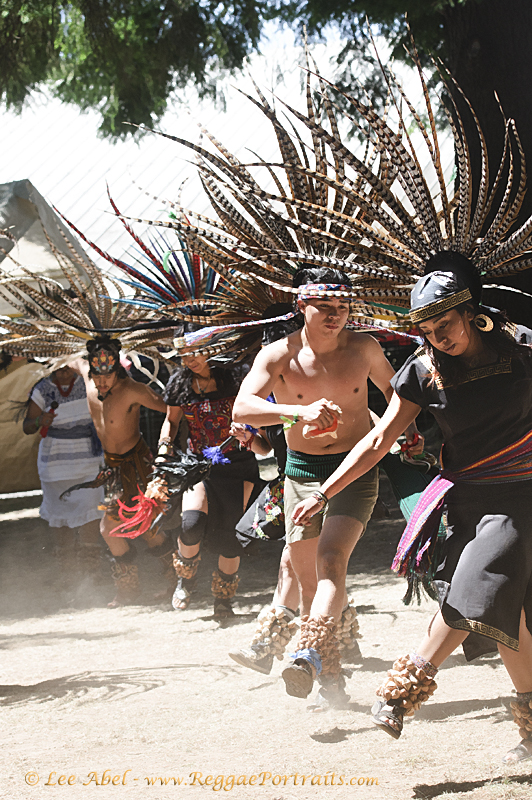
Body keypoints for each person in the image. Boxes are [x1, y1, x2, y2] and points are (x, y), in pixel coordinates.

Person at [292, 266, 532, 762]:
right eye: (424, 329)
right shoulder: (423, 371)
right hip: (468, 499)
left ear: (470, 310)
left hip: (522, 495)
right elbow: (379, 439)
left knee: (477, 586)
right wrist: (326, 491)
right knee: (507, 614)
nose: (436, 337)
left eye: (444, 322)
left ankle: (401, 687)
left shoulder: (522, 348)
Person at [232, 266, 422, 702]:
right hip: (300, 471)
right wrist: (298, 413)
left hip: (354, 470)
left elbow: (399, 396)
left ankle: (306, 655)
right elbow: (243, 408)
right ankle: (331, 679)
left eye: (342, 306)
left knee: (332, 560)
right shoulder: (278, 356)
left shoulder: (365, 348)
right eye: (325, 306)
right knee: (310, 580)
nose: (336, 315)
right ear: (302, 306)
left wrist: (399, 430)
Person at [70, 336, 174, 607]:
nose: (102, 383)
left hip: (137, 464)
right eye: (97, 377)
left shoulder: (133, 389)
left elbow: (172, 410)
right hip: (112, 468)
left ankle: (176, 580)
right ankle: (129, 588)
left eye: (108, 377)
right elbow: (69, 358)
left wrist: (168, 444)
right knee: (110, 529)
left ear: (118, 370)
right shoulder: (87, 376)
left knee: (147, 525)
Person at [158, 350, 259, 618]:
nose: (190, 360)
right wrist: (162, 455)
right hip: (199, 467)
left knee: (231, 538)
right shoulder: (180, 383)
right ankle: (186, 579)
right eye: (184, 354)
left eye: (196, 353)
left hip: (239, 466)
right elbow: (171, 421)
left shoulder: (238, 376)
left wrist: (251, 433)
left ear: (212, 351)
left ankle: (223, 601)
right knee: (190, 526)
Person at [22, 364, 105, 593]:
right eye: (57, 367)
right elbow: (28, 426)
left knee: (91, 511)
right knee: (59, 515)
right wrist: (40, 421)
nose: (63, 371)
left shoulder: (89, 383)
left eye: (67, 365)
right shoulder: (42, 389)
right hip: (55, 465)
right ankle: (68, 573)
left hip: (88, 460)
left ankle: (92, 572)